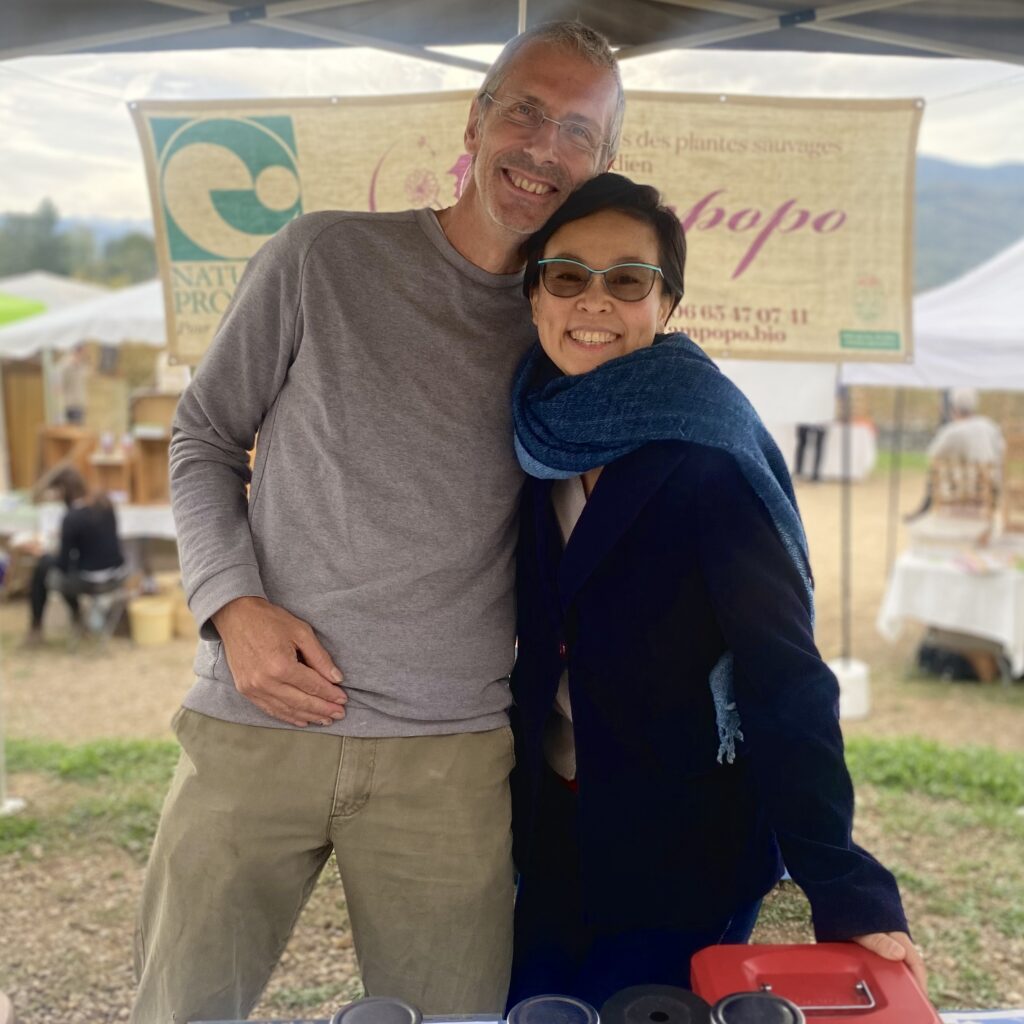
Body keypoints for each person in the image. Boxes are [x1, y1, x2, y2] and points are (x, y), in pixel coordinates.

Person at [131, 22, 624, 1023]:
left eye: (577, 130)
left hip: (446, 759)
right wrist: (230, 604)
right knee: (178, 1012)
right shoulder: (324, 253)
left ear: (602, 165)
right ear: (475, 117)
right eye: (524, 109)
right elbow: (202, 436)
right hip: (255, 721)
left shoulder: (570, 331)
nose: (542, 147)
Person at [507, 174, 926, 1009]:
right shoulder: (533, 425)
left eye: (628, 279)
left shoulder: (710, 454)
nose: (595, 300)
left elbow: (786, 677)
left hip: (683, 844)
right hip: (549, 827)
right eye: (567, 275)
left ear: (666, 305)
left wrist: (843, 884)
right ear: (533, 294)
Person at [22, 467, 125, 646]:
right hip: (116, 575)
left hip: (90, 580)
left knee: (44, 567)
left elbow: (63, 563)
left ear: (63, 491)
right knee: (62, 569)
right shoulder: (104, 503)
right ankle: (77, 619)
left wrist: (41, 552)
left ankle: (37, 628)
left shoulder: (72, 517)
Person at [905, 387, 1005, 520]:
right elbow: (1002, 450)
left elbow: (932, 455)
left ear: (954, 409)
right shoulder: (990, 426)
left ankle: (926, 510)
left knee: (939, 472)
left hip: (963, 492)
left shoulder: (952, 431)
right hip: (992, 489)